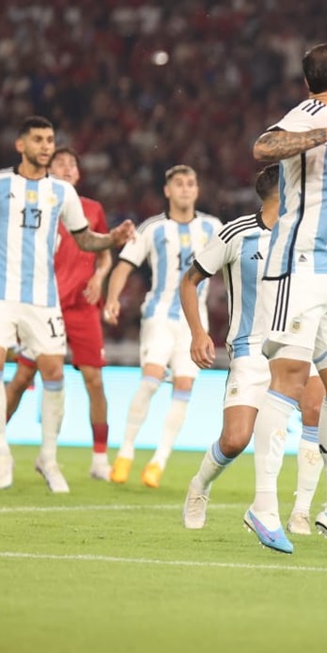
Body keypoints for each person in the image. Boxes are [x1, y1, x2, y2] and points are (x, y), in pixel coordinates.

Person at [244, 40, 327, 558]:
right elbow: (263, 147)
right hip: (300, 267)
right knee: (291, 380)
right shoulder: (314, 113)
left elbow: (321, 203)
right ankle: (262, 505)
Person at [0, 116, 135, 491]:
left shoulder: (63, 195)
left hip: (44, 299)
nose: (46, 145)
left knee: (53, 372)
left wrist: (112, 238)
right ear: (21, 145)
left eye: (50, 139)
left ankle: (48, 458)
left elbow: (86, 241)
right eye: (38, 140)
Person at [179, 164, 326, 533]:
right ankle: (199, 485)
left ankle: (301, 512)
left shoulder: (308, 235)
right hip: (250, 349)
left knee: (315, 412)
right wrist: (199, 332)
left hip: (299, 344)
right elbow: (190, 280)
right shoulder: (236, 234)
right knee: (235, 439)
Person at [103, 165, 221, 488]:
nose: (185, 188)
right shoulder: (152, 228)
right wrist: (112, 298)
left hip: (195, 324)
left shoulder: (213, 228)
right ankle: (125, 453)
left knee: (183, 388)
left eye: (191, 183)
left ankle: (158, 462)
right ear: (167, 191)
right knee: (152, 381)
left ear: (197, 190)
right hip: (159, 316)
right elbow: (123, 266)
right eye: (179, 183)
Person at [2, 146, 115, 480]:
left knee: (94, 380)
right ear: (49, 171)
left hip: (82, 307)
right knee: (23, 378)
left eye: (72, 164)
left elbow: (105, 251)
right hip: (44, 303)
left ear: (78, 174)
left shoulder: (93, 209)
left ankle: (99, 460)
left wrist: (99, 276)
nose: (67, 168)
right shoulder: (39, 208)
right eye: (60, 163)